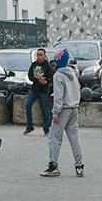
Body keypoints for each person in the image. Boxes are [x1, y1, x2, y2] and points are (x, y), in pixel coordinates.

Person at [41, 48, 85, 178]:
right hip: (74, 108)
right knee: (74, 138)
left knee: (55, 137)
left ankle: (53, 165)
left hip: (63, 110)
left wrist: (55, 113)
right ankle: (79, 165)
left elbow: (58, 96)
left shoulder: (58, 76)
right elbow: (78, 90)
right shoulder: (72, 73)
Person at [23, 47, 54, 136]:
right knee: (28, 105)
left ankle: (46, 128)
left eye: (41, 55)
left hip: (43, 90)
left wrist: (45, 81)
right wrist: (37, 80)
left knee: (45, 109)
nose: (39, 57)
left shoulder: (47, 66)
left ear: (44, 56)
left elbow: (51, 78)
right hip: (34, 89)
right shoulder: (34, 64)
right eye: (38, 55)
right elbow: (30, 76)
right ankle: (30, 126)